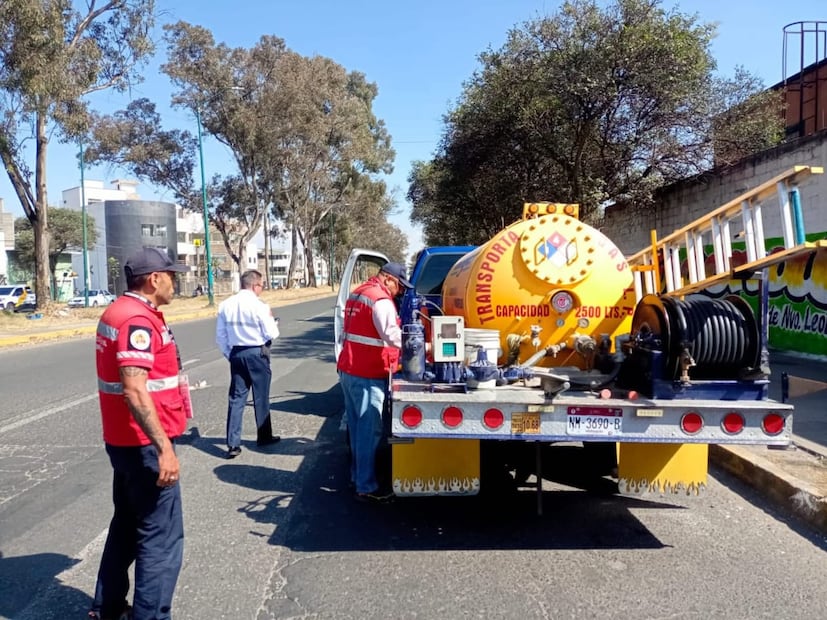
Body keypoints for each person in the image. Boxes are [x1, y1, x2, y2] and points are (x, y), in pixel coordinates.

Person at [90, 247, 189, 620]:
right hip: (145, 444)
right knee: (160, 539)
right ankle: (150, 615)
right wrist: (164, 448)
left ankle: (108, 606)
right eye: (172, 275)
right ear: (154, 279)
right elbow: (134, 388)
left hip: (124, 441)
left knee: (128, 525)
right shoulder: (136, 320)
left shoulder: (120, 312)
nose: (175, 282)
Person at [337, 261, 412, 503]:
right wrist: (422, 346)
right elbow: (390, 335)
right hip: (368, 374)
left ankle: (357, 477)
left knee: (358, 429)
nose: (398, 292)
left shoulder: (358, 293)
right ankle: (366, 486)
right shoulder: (380, 300)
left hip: (349, 370)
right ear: (389, 279)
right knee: (369, 431)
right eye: (399, 286)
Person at [215, 269, 281, 459]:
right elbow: (272, 333)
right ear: (254, 285)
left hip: (236, 353)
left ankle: (233, 444)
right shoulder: (259, 305)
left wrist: (231, 355)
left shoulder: (226, 305)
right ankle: (264, 436)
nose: (262, 289)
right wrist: (273, 320)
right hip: (256, 353)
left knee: (236, 398)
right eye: (261, 285)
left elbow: (221, 337)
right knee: (261, 397)